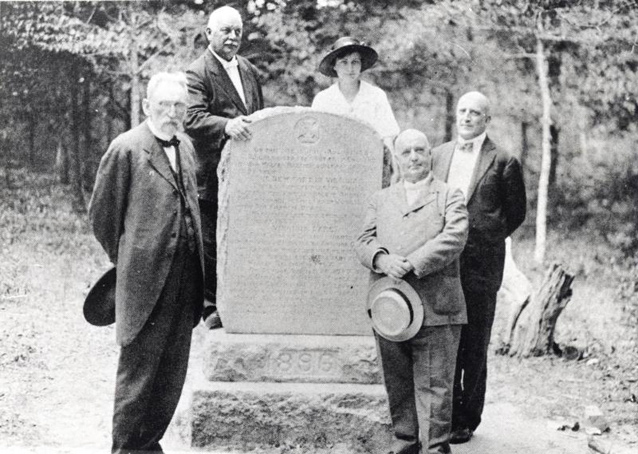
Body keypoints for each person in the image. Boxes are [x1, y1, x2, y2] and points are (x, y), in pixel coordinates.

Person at [89, 72, 205, 454]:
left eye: (179, 106)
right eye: (164, 105)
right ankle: (124, 449)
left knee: (172, 374)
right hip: (144, 282)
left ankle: (148, 445)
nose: (172, 113)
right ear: (146, 107)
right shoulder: (126, 149)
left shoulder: (186, 147)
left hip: (185, 282)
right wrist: (132, 260)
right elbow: (103, 217)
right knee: (138, 377)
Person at [355, 129, 469, 454]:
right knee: (399, 385)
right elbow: (363, 241)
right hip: (389, 310)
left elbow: (454, 238)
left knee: (435, 390)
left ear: (430, 155)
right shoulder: (381, 199)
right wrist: (382, 258)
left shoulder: (449, 195)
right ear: (397, 158)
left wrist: (412, 262)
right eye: (406, 152)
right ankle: (404, 445)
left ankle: (435, 449)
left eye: (420, 150)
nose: (414, 157)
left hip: (436, 310)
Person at [432, 91, 527, 444]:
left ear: (486, 119)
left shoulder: (504, 161)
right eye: (463, 111)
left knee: (474, 342)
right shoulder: (438, 155)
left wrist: (485, 239)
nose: (468, 117)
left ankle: (466, 419)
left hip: (481, 266)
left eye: (475, 113)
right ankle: (441, 414)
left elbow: (515, 214)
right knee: (444, 338)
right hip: (442, 264)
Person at [184, 5, 264, 329]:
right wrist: (227, 126)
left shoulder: (249, 70)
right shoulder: (198, 72)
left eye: (237, 32)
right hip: (211, 176)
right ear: (209, 34)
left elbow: (259, 113)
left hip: (248, 173)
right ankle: (211, 309)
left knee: (245, 239)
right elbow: (192, 118)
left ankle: (242, 301)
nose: (232, 37)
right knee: (212, 244)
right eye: (225, 31)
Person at [312, 36, 400, 183]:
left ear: (361, 65)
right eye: (344, 62)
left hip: (369, 169)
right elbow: (316, 144)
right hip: (333, 172)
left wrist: (394, 171)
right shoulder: (323, 100)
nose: (350, 69)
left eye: (355, 62)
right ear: (334, 66)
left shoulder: (376, 96)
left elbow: (388, 137)